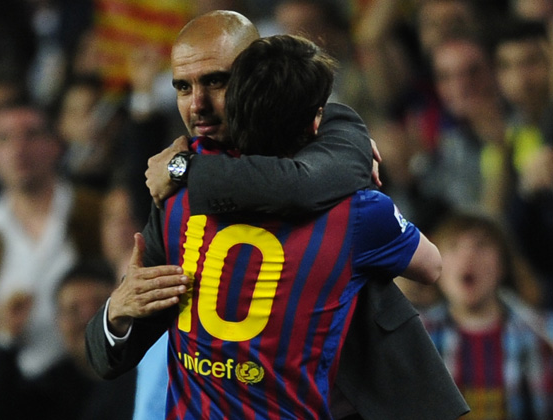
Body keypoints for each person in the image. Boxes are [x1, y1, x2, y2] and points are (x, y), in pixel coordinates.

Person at [86, 10, 467, 420]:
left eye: (216, 81)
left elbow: (300, 180)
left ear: (257, 73)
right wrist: (116, 313)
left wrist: (186, 170)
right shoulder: (179, 195)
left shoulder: (325, 155)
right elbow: (112, 351)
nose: (197, 105)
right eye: (182, 87)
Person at [0, 101, 104, 377]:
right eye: (4, 138)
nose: (19, 148)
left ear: (56, 145)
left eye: (31, 134)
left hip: (93, 378)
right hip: (13, 387)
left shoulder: (95, 212)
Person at [0, 260, 135, 420]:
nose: (87, 317)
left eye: (99, 304)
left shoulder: (144, 370)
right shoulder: (50, 390)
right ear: (58, 322)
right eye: (73, 309)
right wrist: (6, 336)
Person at [422, 211, 553, 419]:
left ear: (502, 265)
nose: (468, 256)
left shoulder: (543, 334)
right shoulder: (416, 337)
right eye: (453, 246)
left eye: (481, 245)